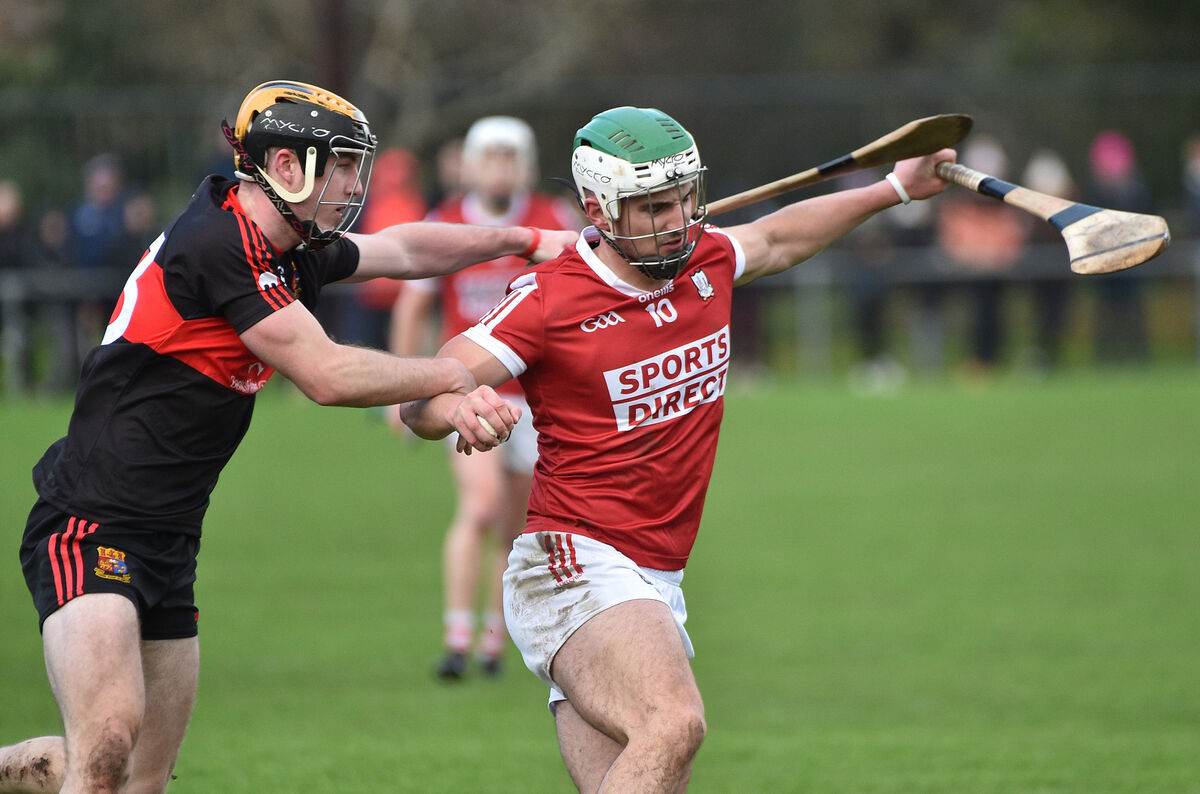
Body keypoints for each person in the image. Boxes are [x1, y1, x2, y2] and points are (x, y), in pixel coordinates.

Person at [0, 79, 576, 794]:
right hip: (89, 525)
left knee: (140, 780)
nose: (353, 183)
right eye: (340, 165)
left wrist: (528, 241)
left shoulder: (291, 246)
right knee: (110, 743)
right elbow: (326, 373)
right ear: (284, 166)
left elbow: (402, 250)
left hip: (170, 540)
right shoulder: (219, 245)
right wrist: (455, 377)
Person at [398, 106, 956, 791]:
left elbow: (780, 238)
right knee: (675, 723)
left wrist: (892, 189)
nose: (678, 220)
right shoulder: (548, 300)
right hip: (574, 559)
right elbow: (419, 396)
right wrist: (459, 404)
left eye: (686, 199)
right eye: (654, 206)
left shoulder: (708, 259)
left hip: (657, 572)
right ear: (599, 209)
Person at [390, 116, 581, 680]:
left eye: (510, 158)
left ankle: (497, 643)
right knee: (477, 507)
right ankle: (456, 640)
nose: (500, 169)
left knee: (513, 525)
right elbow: (412, 306)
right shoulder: (445, 222)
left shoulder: (553, 220)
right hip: (467, 395)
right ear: (471, 164)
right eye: (489, 158)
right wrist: (400, 394)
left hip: (535, 403)